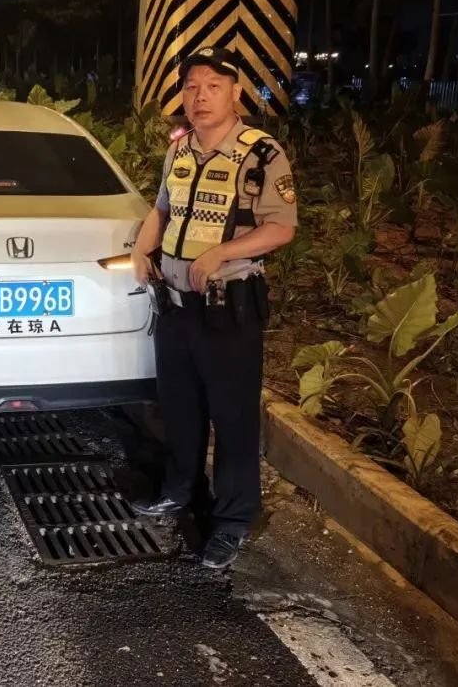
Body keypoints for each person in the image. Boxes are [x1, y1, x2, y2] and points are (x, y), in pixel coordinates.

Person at [129, 46, 297, 569]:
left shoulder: (260, 153)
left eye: (213, 87)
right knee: (179, 407)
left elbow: (282, 227)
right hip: (177, 305)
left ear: (235, 93)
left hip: (229, 308)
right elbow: (162, 209)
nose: (200, 97)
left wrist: (220, 253)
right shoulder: (179, 149)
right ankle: (179, 490)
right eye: (192, 87)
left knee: (233, 416)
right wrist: (141, 249)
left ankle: (233, 519)